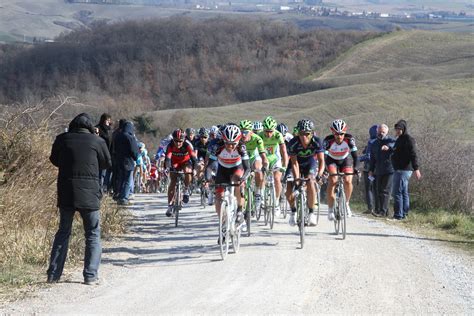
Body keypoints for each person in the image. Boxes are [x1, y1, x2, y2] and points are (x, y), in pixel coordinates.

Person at [47, 113, 111, 285]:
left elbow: (54, 159)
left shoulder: (62, 139)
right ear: (90, 127)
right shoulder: (97, 141)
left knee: (63, 232)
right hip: (90, 195)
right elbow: (106, 163)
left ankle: (53, 275)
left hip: (67, 192)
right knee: (92, 234)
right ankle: (90, 275)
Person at [211, 124, 250, 243]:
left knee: (238, 180)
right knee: (218, 196)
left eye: (233, 143)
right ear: (223, 140)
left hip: (236, 168)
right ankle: (223, 223)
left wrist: (244, 178)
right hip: (222, 170)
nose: (230, 146)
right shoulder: (217, 146)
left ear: (238, 141)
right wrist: (207, 178)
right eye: (227, 143)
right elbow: (210, 166)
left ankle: (239, 210)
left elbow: (247, 168)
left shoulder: (241, 147)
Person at [287, 119, 325, 226]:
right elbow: (294, 164)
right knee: (289, 186)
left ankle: (311, 212)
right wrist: (297, 179)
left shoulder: (317, 141)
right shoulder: (293, 143)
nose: (304, 137)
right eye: (301, 134)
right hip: (296, 164)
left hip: (310, 163)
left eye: (307, 134)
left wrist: (320, 175)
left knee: (311, 181)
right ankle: (293, 211)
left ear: (312, 133)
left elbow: (322, 161)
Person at [323, 119, 359, 220]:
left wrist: (356, 168)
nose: (339, 136)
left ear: (345, 132)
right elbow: (324, 157)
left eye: (342, 134)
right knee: (333, 181)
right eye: (336, 134)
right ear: (332, 132)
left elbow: (355, 156)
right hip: (331, 160)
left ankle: (346, 203)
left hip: (345, 159)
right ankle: (330, 209)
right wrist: (325, 170)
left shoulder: (349, 139)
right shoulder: (328, 140)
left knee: (348, 181)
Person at [258, 116, 288, 217]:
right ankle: (261, 198)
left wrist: (285, 165)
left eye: (271, 131)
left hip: (275, 158)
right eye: (267, 131)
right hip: (264, 159)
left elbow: (284, 151)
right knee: (262, 177)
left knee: (277, 178)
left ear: (274, 129)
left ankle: (276, 203)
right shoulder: (260, 135)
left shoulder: (278, 135)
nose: (269, 134)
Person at [391, 119, 421, 220]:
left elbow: (413, 154)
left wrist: (416, 169)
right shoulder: (399, 139)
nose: (397, 130)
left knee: (397, 192)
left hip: (404, 170)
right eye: (396, 129)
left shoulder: (409, 139)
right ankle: (404, 214)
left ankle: (398, 215)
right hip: (399, 169)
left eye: (399, 129)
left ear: (404, 129)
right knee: (403, 192)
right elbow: (396, 151)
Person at [165, 128, 197, 216]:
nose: (178, 143)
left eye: (180, 141)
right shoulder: (170, 145)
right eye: (176, 141)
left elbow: (194, 159)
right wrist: (167, 168)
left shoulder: (187, 145)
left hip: (185, 162)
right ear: (173, 139)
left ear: (184, 140)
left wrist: (194, 169)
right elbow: (167, 159)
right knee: (173, 181)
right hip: (174, 163)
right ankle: (170, 206)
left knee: (188, 171)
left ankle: (186, 189)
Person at [239, 120, 268, 215]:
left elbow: (262, 154)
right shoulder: (238, 139)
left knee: (258, 171)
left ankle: (258, 192)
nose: (243, 134)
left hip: (254, 157)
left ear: (251, 132)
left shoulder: (257, 138)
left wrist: (265, 162)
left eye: (246, 132)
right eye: (241, 131)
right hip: (243, 159)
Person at [369, 124, 395, 217]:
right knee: (378, 190)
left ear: (387, 132)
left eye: (383, 132)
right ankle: (382, 210)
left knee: (385, 191)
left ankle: (383, 212)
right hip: (378, 170)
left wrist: (388, 147)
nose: (381, 133)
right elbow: (372, 158)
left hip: (389, 170)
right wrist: (371, 170)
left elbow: (395, 146)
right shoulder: (374, 143)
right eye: (379, 132)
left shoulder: (391, 140)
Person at [114, 121, 140, 205]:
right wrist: (136, 157)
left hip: (118, 159)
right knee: (128, 180)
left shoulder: (117, 136)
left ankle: (118, 195)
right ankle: (124, 197)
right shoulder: (130, 137)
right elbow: (134, 150)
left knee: (120, 179)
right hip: (128, 161)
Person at [359, 125, 378, 214]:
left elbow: (368, 156)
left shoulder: (371, 141)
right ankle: (378, 208)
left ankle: (370, 208)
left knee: (369, 189)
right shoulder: (382, 141)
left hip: (369, 169)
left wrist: (358, 159)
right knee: (377, 188)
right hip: (379, 169)